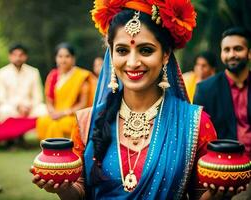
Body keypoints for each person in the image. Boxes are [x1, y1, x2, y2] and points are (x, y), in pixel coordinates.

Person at [32, 1, 247, 199]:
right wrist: (63, 188)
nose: (133, 62)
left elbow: (200, 194)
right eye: (122, 50)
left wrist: (219, 194)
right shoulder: (87, 122)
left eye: (145, 50)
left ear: (165, 55)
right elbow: (80, 192)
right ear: (111, 54)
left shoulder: (195, 123)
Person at [194, 27, 251, 159]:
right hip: (222, 168)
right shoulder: (205, 90)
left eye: (238, 49)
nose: (232, 54)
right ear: (221, 54)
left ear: (249, 53)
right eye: (227, 50)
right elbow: (199, 139)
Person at [36, 43, 96, 140]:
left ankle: (59, 151)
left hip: (73, 116)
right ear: (56, 58)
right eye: (60, 56)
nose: (63, 60)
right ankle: (49, 151)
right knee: (42, 121)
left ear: (73, 59)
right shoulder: (53, 75)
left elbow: (83, 104)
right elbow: (49, 99)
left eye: (67, 56)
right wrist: (52, 112)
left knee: (57, 125)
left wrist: (63, 113)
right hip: (56, 114)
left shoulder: (81, 77)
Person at [0, 44, 47, 122]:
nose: (18, 58)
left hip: (30, 108)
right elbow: (0, 97)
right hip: (11, 108)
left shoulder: (33, 72)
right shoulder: (2, 73)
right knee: (3, 110)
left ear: (26, 57)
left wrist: (28, 107)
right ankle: (12, 133)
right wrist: (18, 106)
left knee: (43, 110)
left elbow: (38, 96)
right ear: (10, 56)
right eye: (15, 55)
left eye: (21, 55)